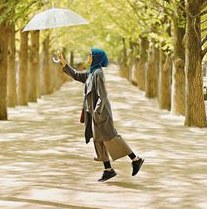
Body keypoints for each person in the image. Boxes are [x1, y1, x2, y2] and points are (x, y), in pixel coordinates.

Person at [58, 48, 144, 182]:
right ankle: (108, 170)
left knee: (111, 137)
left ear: (96, 58)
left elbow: (102, 95)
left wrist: (97, 112)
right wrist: (64, 63)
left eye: (90, 55)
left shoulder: (98, 73)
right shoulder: (91, 73)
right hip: (95, 113)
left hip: (101, 112)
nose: (88, 56)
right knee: (98, 139)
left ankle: (135, 159)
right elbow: (76, 75)